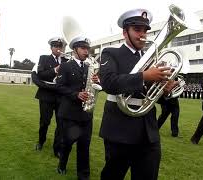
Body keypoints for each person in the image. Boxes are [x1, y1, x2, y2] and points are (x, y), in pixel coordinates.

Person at [98, 9, 176, 180]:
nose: (143, 35)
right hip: (119, 129)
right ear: (125, 32)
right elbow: (109, 83)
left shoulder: (154, 59)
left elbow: (152, 96)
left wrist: (165, 89)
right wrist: (144, 76)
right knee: (113, 176)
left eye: (145, 30)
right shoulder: (110, 53)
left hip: (148, 131)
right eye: (137, 30)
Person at [56, 36, 99, 180]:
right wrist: (76, 94)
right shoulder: (66, 66)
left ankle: (83, 175)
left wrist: (97, 81)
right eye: (83, 48)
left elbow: (96, 86)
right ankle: (62, 164)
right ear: (75, 50)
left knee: (84, 145)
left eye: (87, 49)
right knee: (67, 142)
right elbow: (59, 87)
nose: (86, 51)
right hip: (70, 114)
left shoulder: (90, 67)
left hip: (86, 114)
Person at [34, 37, 69, 158]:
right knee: (44, 122)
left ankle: (57, 148)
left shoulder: (66, 60)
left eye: (60, 46)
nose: (58, 48)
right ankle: (41, 141)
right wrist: (55, 69)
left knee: (61, 124)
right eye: (55, 46)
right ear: (51, 47)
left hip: (61, 96)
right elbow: (41, 74)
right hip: (46, 95)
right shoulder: (44, 58)